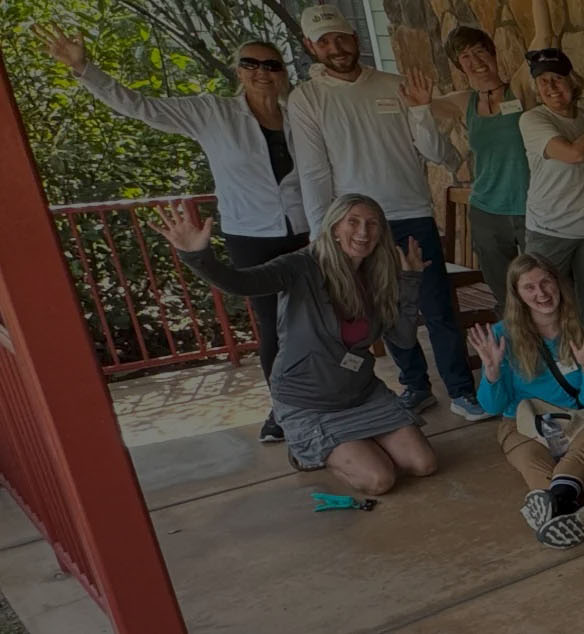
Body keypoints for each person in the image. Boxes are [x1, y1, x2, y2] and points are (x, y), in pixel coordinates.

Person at [39, 28, 310, 443]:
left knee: (313, 319)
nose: (261, 72)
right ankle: (285, 410)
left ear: (283, 72)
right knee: (273, 327)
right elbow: (142, 107)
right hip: (252, 236)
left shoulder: (300, 115)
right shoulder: (213, 112)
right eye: (251, 64)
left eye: (271, 65)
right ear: (239, 72)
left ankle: (319, 398)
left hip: (306, 230)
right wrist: (83, 69)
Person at [151, 194, 438, 493]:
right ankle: (310, 448)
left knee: (423, 464)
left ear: (381, 232)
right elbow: (243, 283)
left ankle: (353, 443)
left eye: (372, 224)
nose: (363, 232)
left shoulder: (379, 273)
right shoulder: (302, 266)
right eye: (352, 222)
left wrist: (410, 280)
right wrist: (199, 257)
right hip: (308, 401)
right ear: (334, 228)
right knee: (380, 479)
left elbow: (403, 338)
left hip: (361, 394)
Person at [288, 4, 481, 420]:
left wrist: (419, 110)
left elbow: (437, 153)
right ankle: (415, 386)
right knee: (386, 313)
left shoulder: (396, 85)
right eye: (324, 42)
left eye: (341, 37)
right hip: (357, 227)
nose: (335, 48)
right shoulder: (307, 99)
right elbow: (313, 170)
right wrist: (323, 233)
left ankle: (463, 390)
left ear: (355, 38)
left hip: (411, 213)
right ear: (310, 46)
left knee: (436, 308)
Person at [468, 255, 584, 549]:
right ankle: (565, 507)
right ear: (518, 295)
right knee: (530, 460)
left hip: (577, 419)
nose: (542, 293)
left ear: (558, 283)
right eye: (530, 288)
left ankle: (554, 503)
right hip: (524, 421)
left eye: (546, 282)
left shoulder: (580, 328)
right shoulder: (501, 336)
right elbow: (493, 407)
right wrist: (492, 372)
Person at [431, 20, 540, 301]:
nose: (475, 61)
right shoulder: (463, 101)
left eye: (479, 51)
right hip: (487, 212)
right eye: (465, 57)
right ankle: (515, 344)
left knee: (543, 284)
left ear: (492, 53)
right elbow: (420, 106)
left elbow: (544, 36)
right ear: (459, 65)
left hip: (532, 207)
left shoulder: (517, 88)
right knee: (504, 293)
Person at [517, 48, 584, 336]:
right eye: (543, 82)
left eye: (557, 78)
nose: (551, 87)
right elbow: (574, 153)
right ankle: (549, 375)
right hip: (549, 229)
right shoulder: (533, 120)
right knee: (542, 307)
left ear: (572, 81)